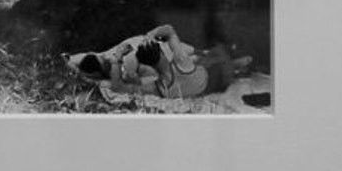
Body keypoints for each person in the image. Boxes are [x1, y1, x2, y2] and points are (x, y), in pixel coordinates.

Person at [98, 25, 251, 98]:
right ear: (161, 53)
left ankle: (236, 67)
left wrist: (117, 59)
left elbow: (118, 87)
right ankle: (237, 66)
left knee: (203, 59)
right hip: (213, 74)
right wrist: (151, 34)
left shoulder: (156, 88)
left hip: (206, 87)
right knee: (216, 57)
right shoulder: (180, 61)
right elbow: (169, 30)